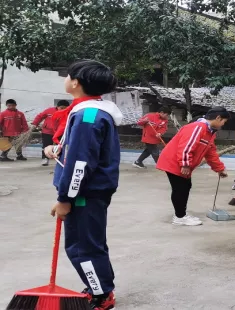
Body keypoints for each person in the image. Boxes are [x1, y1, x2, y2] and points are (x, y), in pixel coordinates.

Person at [44, 59, 122, 309]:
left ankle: (101, 295)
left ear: (76, 82)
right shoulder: (91, 110)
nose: (65, 79)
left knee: (82, 247)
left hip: (84, 193)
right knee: (91, 243)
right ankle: (100, 287)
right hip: (90, 190)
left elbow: (80, 164)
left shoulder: (88, 115)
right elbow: (82, 151)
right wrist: (58, 149)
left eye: (67, 76)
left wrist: (65, 198)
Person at [156, 107, 229, 226]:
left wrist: (219, 169)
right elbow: (186, 147)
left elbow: (211, 153)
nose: (222, 125)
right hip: (175, 162)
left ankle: (181, 214)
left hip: (181, 163)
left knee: (185, 187)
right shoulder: (198, 127)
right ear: (218, 118)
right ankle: (179, 217)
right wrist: (185, 164)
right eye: (223, 122)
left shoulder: (209, 132)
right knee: (180, 188)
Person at [32, 100, 70, 166]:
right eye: (61, 107)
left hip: (60, 132)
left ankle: (60, 158)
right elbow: (40, 116)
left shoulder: (68, 112)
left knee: (61, 145)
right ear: (57, 107)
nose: (63, 109)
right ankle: (45, 159)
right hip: (47, 131)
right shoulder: (49, 110)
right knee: (46, 145)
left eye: (65, 108)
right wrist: (35, 124)